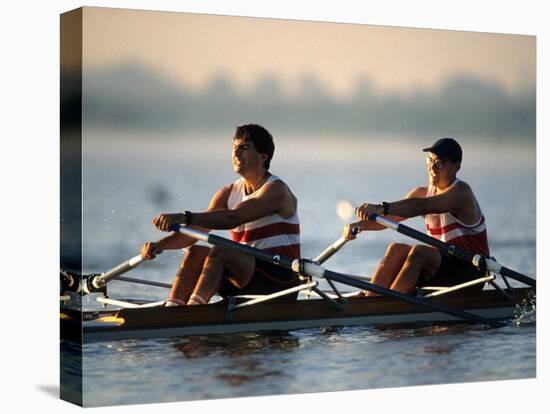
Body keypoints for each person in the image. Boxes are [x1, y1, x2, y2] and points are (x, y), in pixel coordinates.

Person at [140, 124, 301, 306]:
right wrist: (158, 245)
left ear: (263, 157)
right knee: (195, 252)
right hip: (246, 277)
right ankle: (172, 308)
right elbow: (193, 233)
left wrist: (185, 216)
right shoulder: (227, 193)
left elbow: (234, 218)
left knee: (220, 250)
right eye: (234, 148)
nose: (236, 153)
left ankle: (195, 311)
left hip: (280, 282)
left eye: (244, 148)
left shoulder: (276, 190)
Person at [344, 138, 489, 296]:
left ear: (456, 167)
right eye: (430, 161)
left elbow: (420, 206)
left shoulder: (461, 193)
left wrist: (380, 208)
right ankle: (371, 300)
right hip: (443, 269)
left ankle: (390, 305)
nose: (433, 167)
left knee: (419, 252)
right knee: (396, 249)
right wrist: (359, 225)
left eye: (440, 163)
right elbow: (388, 219)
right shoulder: (421, 193)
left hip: (471, 272)